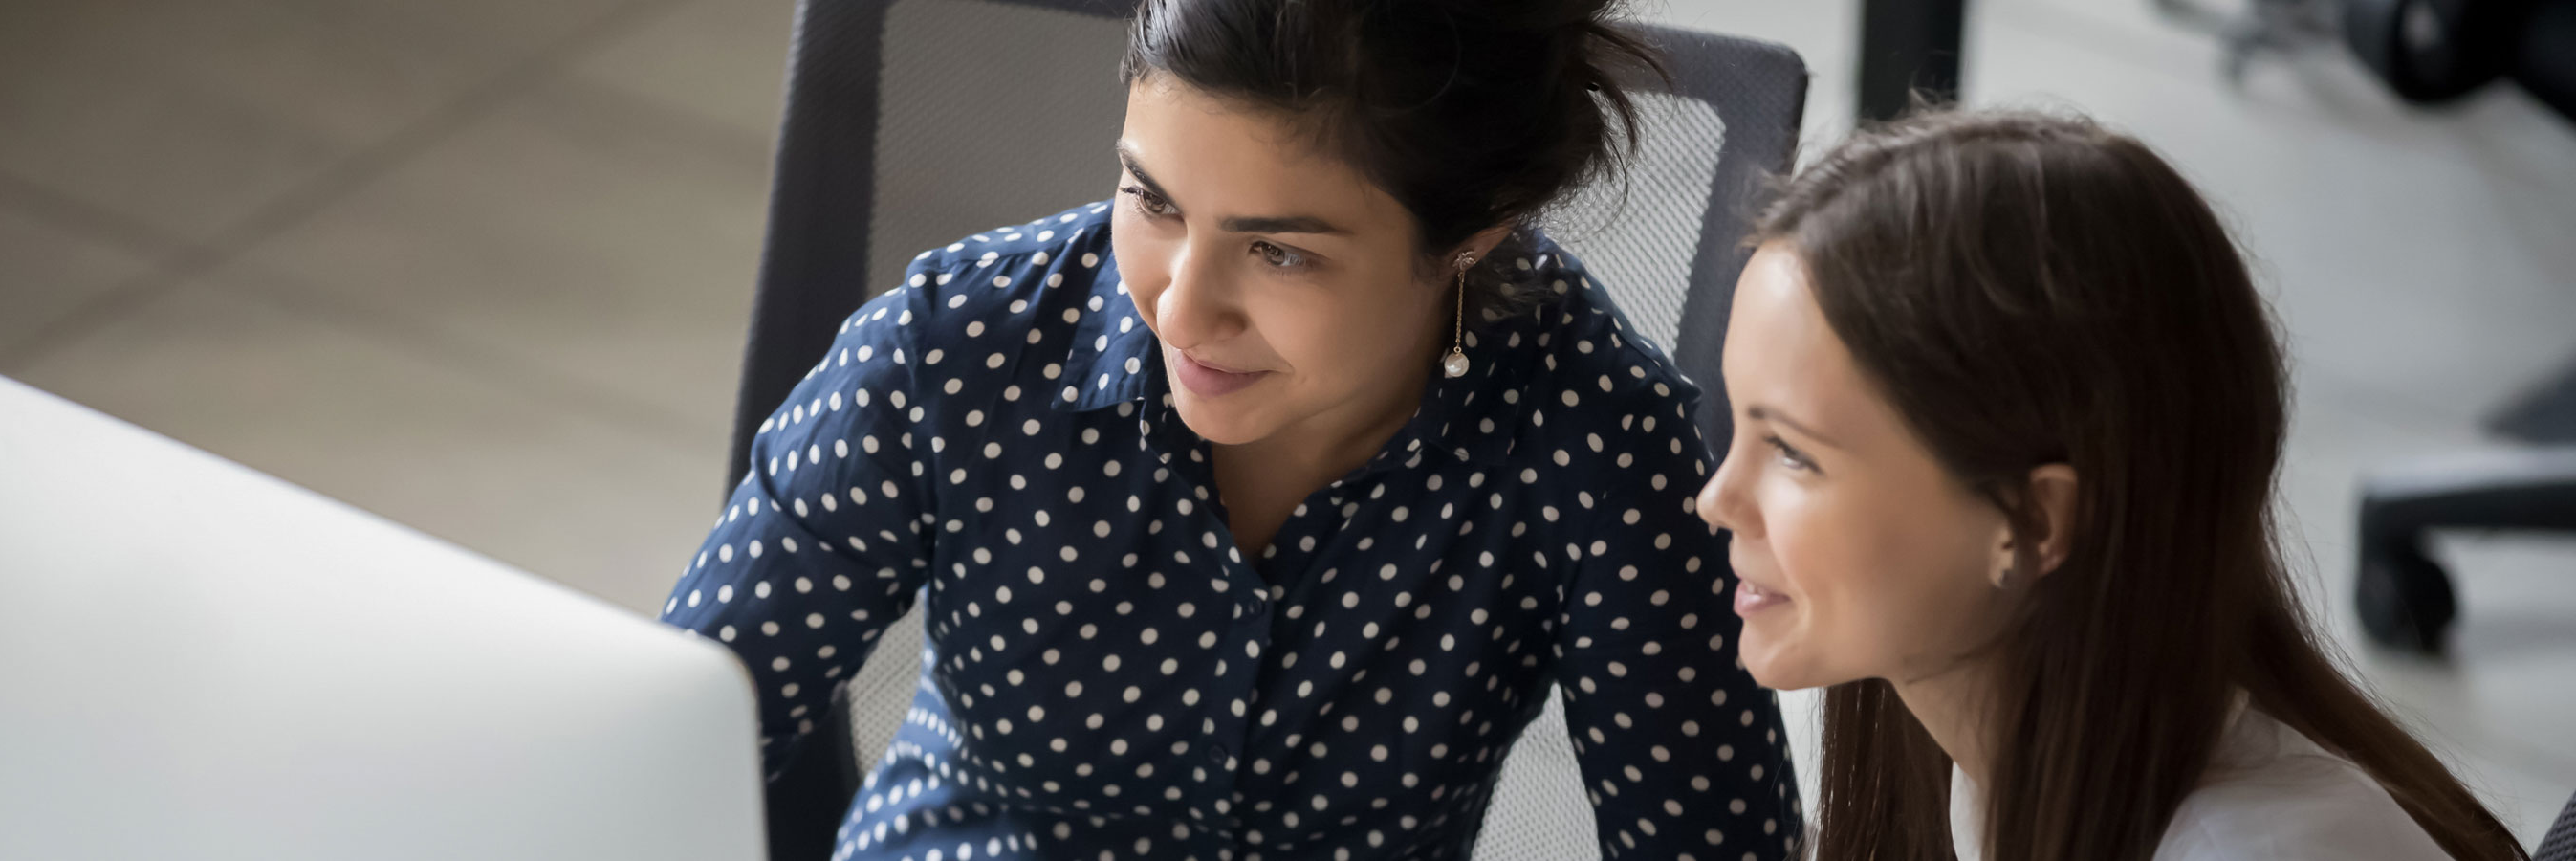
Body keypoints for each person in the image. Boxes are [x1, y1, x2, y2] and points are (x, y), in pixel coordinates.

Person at [654, 0, 1806, 857]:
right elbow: (666, 746)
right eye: (1152, 200)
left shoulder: (1593, 444)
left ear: (1475, 237)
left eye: (1280, 250)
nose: (1178, 305)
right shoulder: (949, 352)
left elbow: (1712, 847)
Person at [1695, 108, 2529, 861]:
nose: (1716, 498)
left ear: (2034, 519)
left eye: (1793, 454)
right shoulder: (1989, 765)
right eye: (1740, 430)